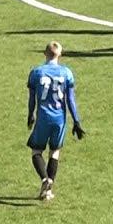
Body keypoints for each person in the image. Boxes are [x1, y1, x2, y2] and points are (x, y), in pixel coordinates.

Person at [27, 41, 85, 201]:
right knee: (55, 151)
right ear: (60, 55)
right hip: (60, 119)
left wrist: (30, 114)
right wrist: (76, 121)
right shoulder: (67, 73)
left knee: (36, 151)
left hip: (43, 118)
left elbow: (32, 98)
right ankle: (48, 190)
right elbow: (70, 99)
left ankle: (45, 179)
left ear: (44, 53)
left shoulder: (36, 72)